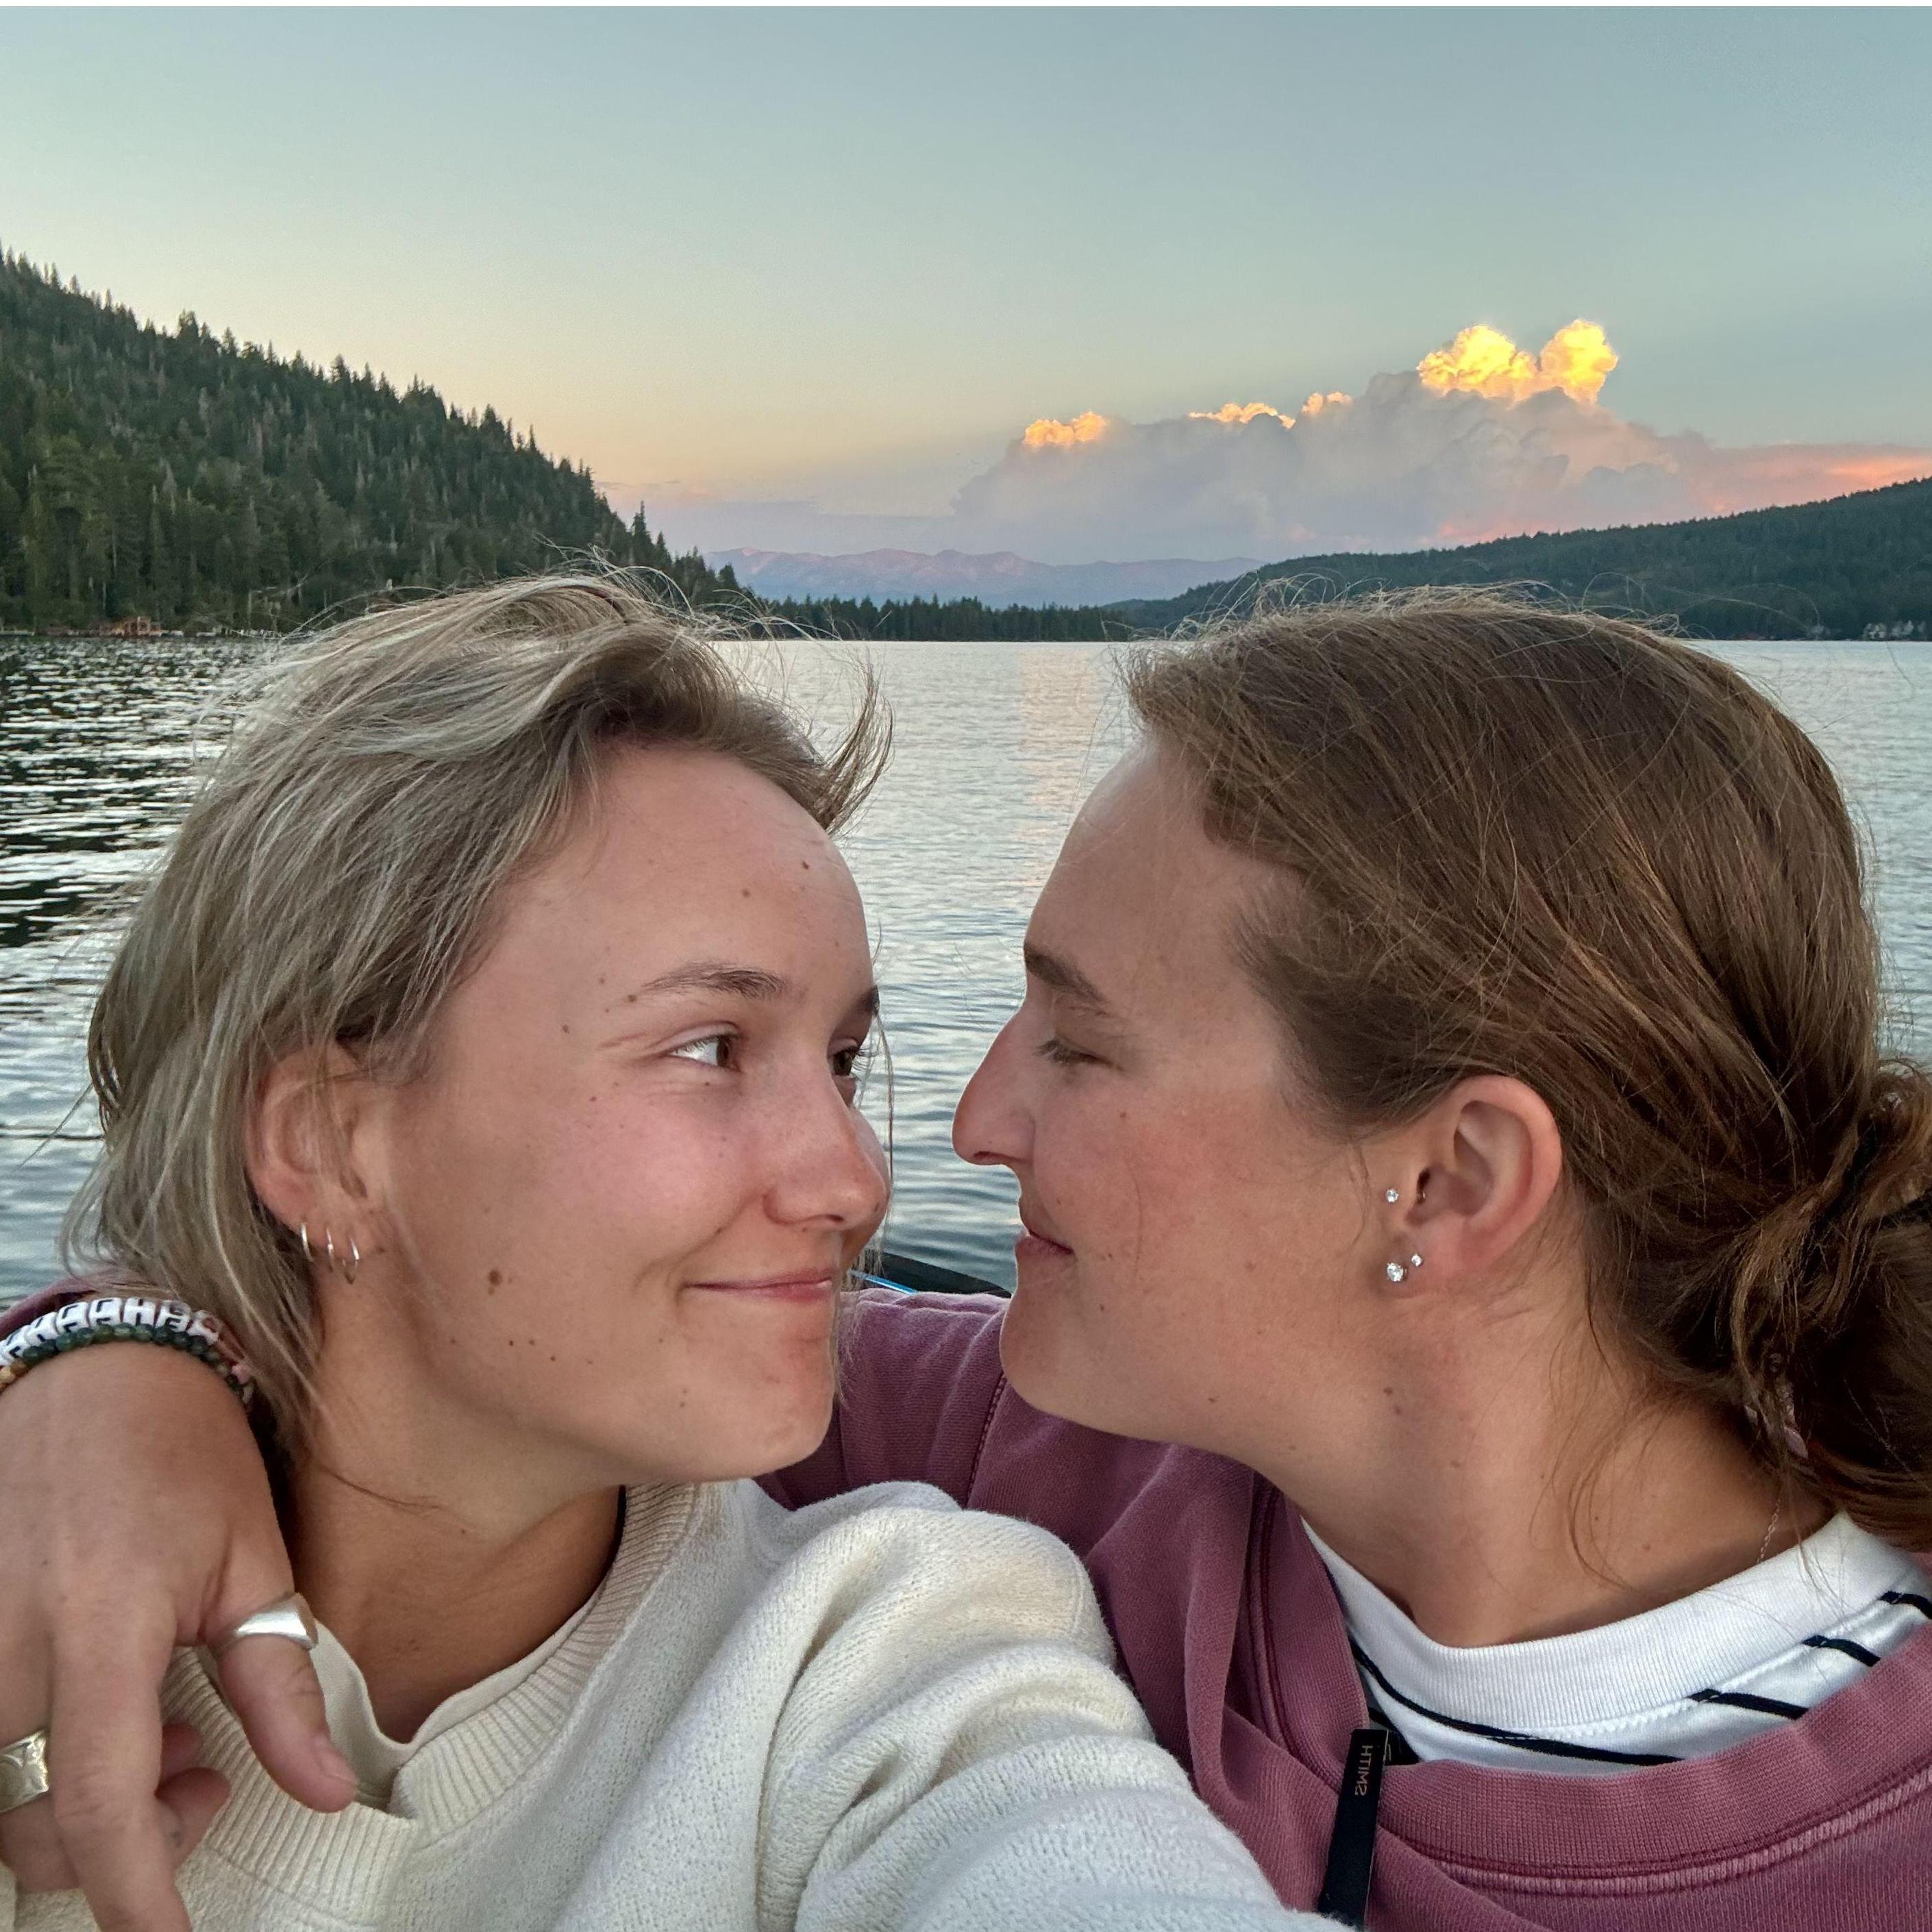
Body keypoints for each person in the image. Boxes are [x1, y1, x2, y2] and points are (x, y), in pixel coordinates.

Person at [5, 589, 1931, 1928]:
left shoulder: (926, 1622)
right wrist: (106, 1356)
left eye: (1078, 1040)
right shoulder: (1016, 1418)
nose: (911, 1151)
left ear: (1443, 1182)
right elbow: (338, 1283)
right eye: (719, 1046)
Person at [0, 577, 1319, 1932]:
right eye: (710, 1049)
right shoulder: (40, 1600)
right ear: (337, 1142)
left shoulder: (887, 1668)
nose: (856, 1177)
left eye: (846, 1060)